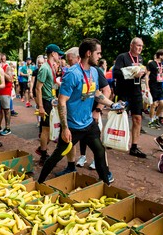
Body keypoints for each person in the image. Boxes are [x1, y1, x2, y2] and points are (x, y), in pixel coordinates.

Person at [37, 38, 122, 185]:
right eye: (98, 53)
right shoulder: (72, 73)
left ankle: (105, 185)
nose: (99, 56)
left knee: (100, 152)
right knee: (57, 156)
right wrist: (65, 128)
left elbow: (95, 92)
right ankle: (39, 183)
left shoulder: (94, 72)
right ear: (89, 53)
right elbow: (62, 101)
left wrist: (112, 104)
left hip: (88, 123)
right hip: (73, 127)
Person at [113, 37, 147, 158]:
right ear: (131, 45)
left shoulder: (141, 59)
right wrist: (132, 73)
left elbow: (140, 75)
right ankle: (113, 139)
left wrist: (142, 75)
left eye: (142, 46)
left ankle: (134, 147)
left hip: (136, 92)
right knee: (119, 116)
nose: (140, 48)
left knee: (137, 119)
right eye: (138, 45)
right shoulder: (122, 57)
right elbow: (116, 73)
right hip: (124, 91)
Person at [36, 44, 64, 165]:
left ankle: (42, 149)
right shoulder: (45, 68)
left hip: (51, 101)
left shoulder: (51, 67)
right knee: (46, 129)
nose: (60, 56)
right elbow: (38, 88)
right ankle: (43, 155)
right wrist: (41, 107)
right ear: (53, 54)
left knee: (50, 128)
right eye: (58, 54)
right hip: (46, 102)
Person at [146, 49, 163, 129]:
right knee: (154, 104)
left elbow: (162, 75)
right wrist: (147, 87)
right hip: (153, 85)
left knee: (162, 104)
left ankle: (155, 118)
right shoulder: (152, 63)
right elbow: (146, 76)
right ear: (160, 55)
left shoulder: (162, 65)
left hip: (160, 85)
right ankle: (151, 120)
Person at [0, 53, 14, 136]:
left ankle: (8, 128)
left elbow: (10, 79)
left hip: (5, 91)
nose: (1, 61)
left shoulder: (7, 67)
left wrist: (1, 71)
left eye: (2, 59)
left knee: (6, 109)